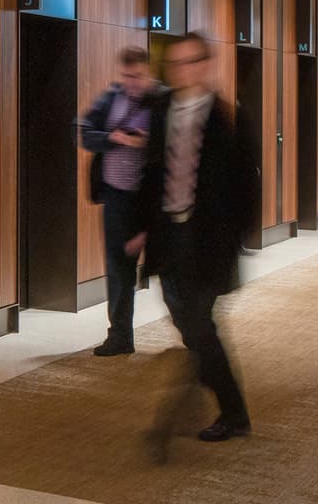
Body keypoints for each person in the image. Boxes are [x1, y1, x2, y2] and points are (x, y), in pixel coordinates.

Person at [127, 31, 259, 444]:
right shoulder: (161, 108)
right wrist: (139, 230)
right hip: (169, 236)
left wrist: (235, 239)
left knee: (201, 325)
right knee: (182, 315)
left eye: (189, 62)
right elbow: (149, 175)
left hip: (209, 241)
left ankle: (233, 413)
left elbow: (246, 185)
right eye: (175, 64)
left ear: (205, 65)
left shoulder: (226, 117)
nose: (181, 71)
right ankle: (207, 373)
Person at [78, 46, 160, 356]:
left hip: (152, 198)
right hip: (116, 197)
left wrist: (145, 141)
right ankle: (120, 336)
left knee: (168, 265)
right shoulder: (112, 98)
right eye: (126, 76)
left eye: (137, 76)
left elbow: (173, 145)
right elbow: (84, 133)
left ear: (148, 73)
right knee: (118, 268)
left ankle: (192, 330)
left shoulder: (161, 101)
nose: (131, 83)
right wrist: (113, 138)